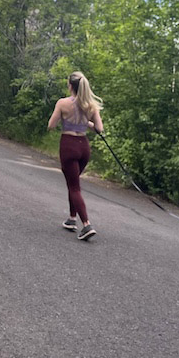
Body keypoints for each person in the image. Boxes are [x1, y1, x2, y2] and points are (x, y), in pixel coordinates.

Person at [47, 71, 104, 241]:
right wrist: (85, 122)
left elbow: (51, 125)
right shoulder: (91, 106)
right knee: (74, 183)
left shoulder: (63, 103)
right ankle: (72, 219)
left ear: (70, 86)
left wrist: (66, 119)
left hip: (69, 146)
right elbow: (99, 129)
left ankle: (86, 224)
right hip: (84, 147)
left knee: (74, 187)